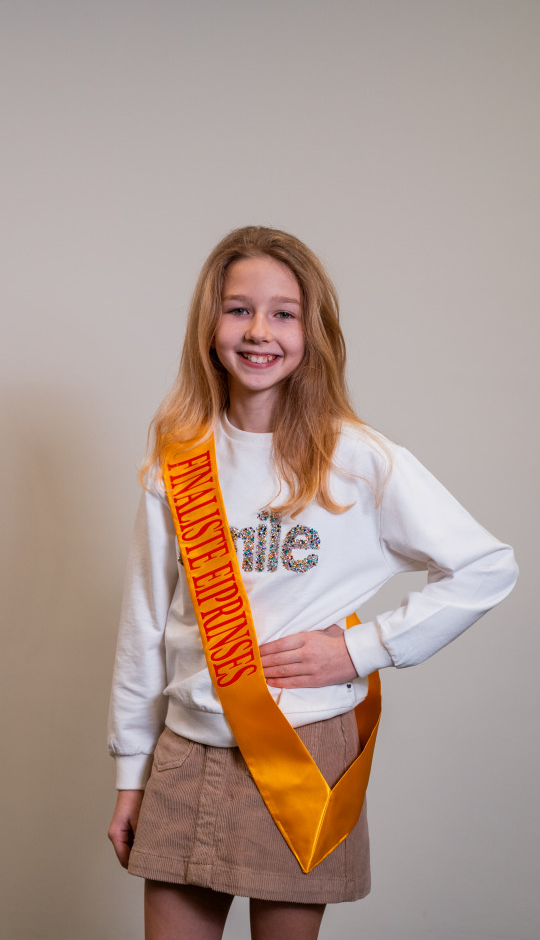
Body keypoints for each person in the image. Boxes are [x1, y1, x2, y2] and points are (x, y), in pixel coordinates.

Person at [107, 225, 518, 940]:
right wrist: (130, 775)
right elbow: (143, 627)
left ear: (313, 331)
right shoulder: (177, 465)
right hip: (185, 751)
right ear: (208, 325)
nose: (258, 331)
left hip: (299, 753)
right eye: (238, 309)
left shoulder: (358, 460)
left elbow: (488, 566)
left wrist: (360, 650)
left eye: (284, 313)